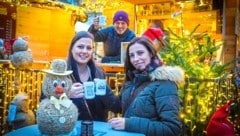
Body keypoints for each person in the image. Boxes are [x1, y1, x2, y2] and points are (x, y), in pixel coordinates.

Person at [108, 37, 184, 136]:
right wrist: (103, 90)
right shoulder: (132, 80)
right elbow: (120, 107)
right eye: (132, 55)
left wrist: (129, 124)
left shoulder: (165, 83)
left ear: (151, 53)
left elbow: (172, 128)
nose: (135, 59)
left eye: (140, 53)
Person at [66, 31, 121, 121]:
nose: (84, 51)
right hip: (70, 130)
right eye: (80, 47)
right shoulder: (60, 73)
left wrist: (105, 92)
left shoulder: (98, 73)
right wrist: (66, 94)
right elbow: (45, 103)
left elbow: (114, 106)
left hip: (97, 129)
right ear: (72, 48)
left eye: (88, 48)